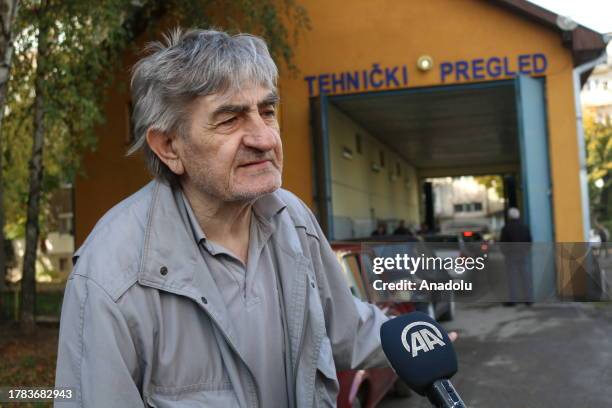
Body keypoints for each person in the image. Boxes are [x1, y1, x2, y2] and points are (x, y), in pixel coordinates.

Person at [54, 28, 411, 407]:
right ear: (169, 146)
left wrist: (414, 342)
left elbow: (345, 329)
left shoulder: (292, 219)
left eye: (267, 111)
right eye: (230, 119)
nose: (264, 138)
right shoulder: (112, 273)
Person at [499, 207, 533, 306]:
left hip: (511, 255)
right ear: (519, 216)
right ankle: (529, 300)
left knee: (512, 278)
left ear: (509, 217)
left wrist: (505, 253)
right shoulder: (525, 227)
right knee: (526, 277)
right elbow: (529, 241)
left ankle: (513, 301)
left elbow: (503, 243)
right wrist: (526, 251)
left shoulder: (506, 228)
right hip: (523, 254)